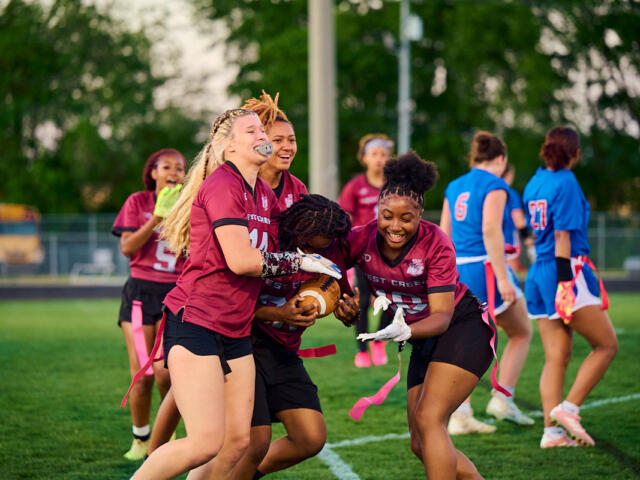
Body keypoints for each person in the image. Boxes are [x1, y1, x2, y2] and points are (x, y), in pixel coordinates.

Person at [129, 108, 341, 480]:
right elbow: (242, 261)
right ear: (227, 148)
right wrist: (300, 262)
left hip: (236, 329)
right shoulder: (223, 184)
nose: (263, 135)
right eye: (252, 130)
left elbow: (297, 233)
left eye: (263, 129)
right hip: (197, 321)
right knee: (204, 443)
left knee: (240, 444)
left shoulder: (261, 191)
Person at [347, 151, 497, 479]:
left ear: (419, 214)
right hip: (421, 335)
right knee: (419, 442)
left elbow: (442, 316)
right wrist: (341, 303)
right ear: (377, 210)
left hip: (462, 326)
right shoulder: (362, 237)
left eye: (407, 218)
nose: (395, 226)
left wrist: (404, 332)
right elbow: (329, 268)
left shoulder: (437, 244)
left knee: (430, 421)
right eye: (388, 216)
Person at [523, 126, 617, 448]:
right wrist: (565, 285)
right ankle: (569, 408)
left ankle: (552, 433)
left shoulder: (536, 181)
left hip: (538, 271)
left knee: (556, 356)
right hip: (563, 271)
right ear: (574, 153)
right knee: (606, 345)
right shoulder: (566, 181)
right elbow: (563, 237)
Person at [440, 131, 534, 433]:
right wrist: (504, 277)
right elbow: (491, 229)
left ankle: (462, 412)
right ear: (501, 158)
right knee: (521, 332)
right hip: (486, 268)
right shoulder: (496, 183)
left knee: (469, 341)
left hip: (459, 269)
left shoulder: (455, 185)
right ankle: (502, 398)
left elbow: (444, 233)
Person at [112, 148, 186, 460]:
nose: (174, 172)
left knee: (167, 375)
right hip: (141, 296)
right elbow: (127, 247)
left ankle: (162, 442)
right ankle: (140, 439)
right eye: (166, 166)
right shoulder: (137, 202)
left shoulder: (190, 206)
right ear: (152, 173)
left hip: (175, 295)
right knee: (142, 375)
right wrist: (158, 215)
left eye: (180, 168)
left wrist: (180, 212)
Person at [338, 133, 394, 367]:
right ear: (365, 158)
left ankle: (379, 341)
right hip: (364, 253)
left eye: (383, 154)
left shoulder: (394, 186)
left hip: (391, 252)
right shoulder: (356, 186)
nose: (379, 159)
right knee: (361, 301)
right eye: (374, 154)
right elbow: (344, 219)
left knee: (393, 299)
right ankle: (361, 350)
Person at [501, 164, 533, 273]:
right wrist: (527, 237)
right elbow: (518, 219)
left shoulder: (488, 191)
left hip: (488, 243)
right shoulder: (511, 194)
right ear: (508, 175)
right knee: (510, 279)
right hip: (508, 242)